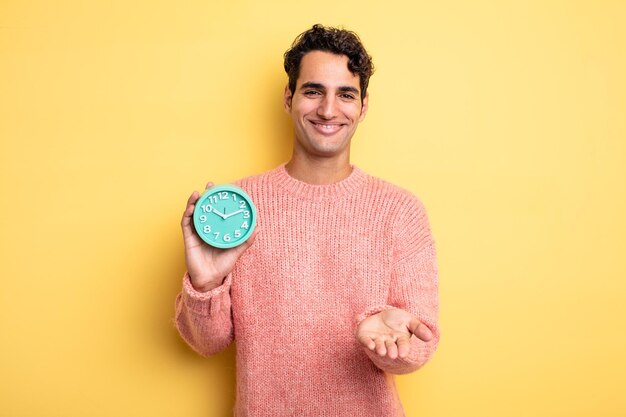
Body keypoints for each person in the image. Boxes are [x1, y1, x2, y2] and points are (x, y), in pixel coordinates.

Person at [175, 24, 439, 417]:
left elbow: (420, 343)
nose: (328, 110)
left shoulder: (400, 210)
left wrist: (387, 343)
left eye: (345, 94)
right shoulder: (237, 208)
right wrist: (206, 283)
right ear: (289, 98)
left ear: (363, 107)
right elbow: (206, 343)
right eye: (313, 91)